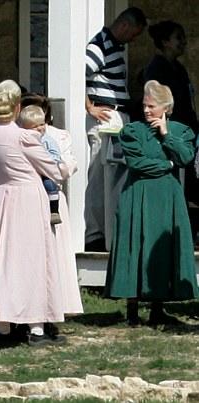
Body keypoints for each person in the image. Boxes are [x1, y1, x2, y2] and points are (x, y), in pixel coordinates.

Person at [0, 84, 68, 347]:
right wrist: (66, 164)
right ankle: (36, 328)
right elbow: (53, 169)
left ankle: (4, 327)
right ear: (17, 107)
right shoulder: (22, 136)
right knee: (32, 261)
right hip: (26, 200)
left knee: (1, 261)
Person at [105, 80, 199, 326]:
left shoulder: (181, 131)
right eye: (145, 106)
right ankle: (132, 309)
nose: (147, 111)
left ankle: (158, 306)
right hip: (138, 190)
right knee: (135, 241)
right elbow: (138, 163)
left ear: (165, 108)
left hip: (167, 195)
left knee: (162, 245)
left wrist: (167, 136)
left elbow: (186, 157)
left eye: (152, 106)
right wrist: (167, 164)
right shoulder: (132, 131)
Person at [84, 7, 147, 251]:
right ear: (124, 26)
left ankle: (111, 230)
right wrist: (90, 106)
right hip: (105, 115)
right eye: (133, 34)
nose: (133, 40)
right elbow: (80, 74)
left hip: (117, 115)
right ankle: (96, 234)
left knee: (114, 177)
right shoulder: (98, 46)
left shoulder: (114, 47)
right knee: (100, 176)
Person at [20, 93, 84, 325]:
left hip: (51, 195)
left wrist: (53, 169)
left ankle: (56, 305)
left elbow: (69, 164)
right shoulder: (17, 134)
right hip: (25, 197)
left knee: (54, 252)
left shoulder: (57, 136)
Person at [142, 21, 199, 243]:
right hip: (169, 132)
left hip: (185, 130)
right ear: (165, 42)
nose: (183, 42)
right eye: (178, 38)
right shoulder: (157, 69)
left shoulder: (179, 68)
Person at [18, 105, 62, 225]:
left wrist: (47, 159)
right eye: (34, 126)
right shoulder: (22, 140)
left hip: (46, 171)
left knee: (49, 184)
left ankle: (54, 210)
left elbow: (56, 155)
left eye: (42, 124)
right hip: (30, 171)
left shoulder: (47, 140)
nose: (39, 128)